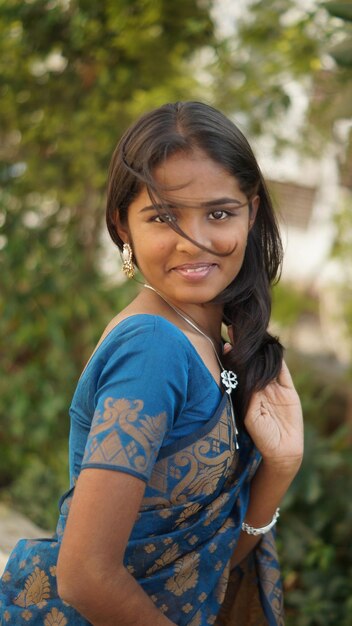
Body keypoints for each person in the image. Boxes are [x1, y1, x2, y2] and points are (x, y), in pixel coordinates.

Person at [0, 101, 303, 626]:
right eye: (164, 216)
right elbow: (86, 574)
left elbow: (199, 568)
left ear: (252, 213)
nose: (196, 241)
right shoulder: (153, 348)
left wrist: (280, 466)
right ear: (123, 226)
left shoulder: (209, 342)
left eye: (219, 213)